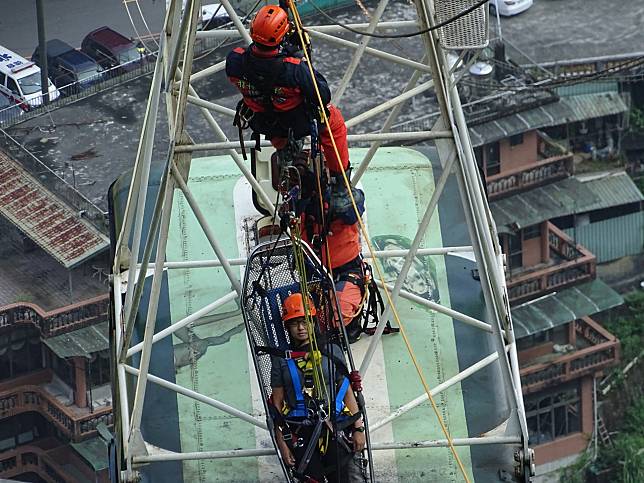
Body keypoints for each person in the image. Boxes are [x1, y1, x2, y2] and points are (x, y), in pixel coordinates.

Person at [226, 5, 365, 341]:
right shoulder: (293, 69)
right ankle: (341, 173)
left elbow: (243, 71)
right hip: (297, 121)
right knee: (333, 121)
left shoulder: (236, 61)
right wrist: (294, 57)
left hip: (269, 123)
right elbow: (321, 93)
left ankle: (288, 154)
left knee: (289, 152)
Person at [271, 293, 366, 482]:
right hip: (300, 429)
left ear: (313, 322)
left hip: (335, 426)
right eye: (294, 323)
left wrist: (358, 429)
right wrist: (282, 441)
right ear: (287, 327)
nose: (300, 328)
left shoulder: (331, 351)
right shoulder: (281, 359)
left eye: (305, 321)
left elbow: (347, 392)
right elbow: (277, 404)